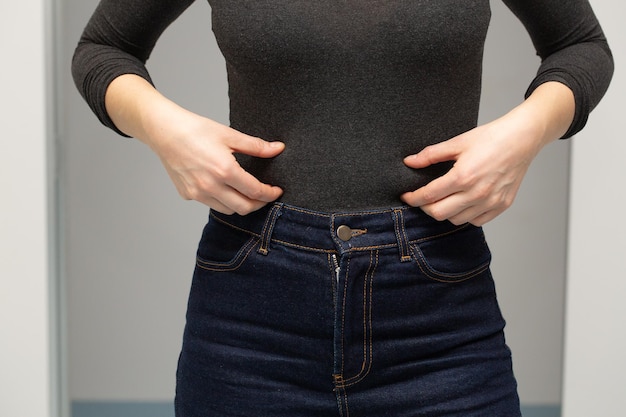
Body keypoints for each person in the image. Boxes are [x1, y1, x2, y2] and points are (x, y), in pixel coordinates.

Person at [72, 1, 613, 416]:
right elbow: (103, 49)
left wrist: (526, 132)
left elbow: (581, 44)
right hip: (251, 315)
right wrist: (166, 130)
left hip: (439, 318)